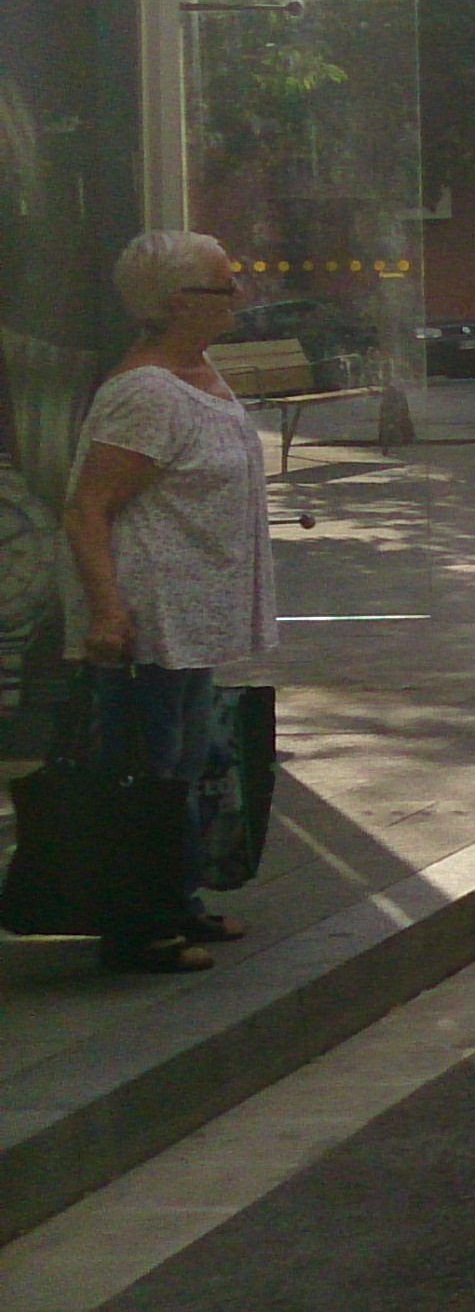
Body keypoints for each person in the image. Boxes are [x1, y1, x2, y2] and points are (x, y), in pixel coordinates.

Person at [62, 230, 276, 974]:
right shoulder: (145, 393)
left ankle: (178, 902)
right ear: (180, 302)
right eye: (225, 287)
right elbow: (87, 509)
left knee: (183, 763)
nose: (238, 297)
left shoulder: (199, 370)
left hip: (193, 613)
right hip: (149, 614)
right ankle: (140, 927)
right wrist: (107, 612)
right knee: (147, 773)